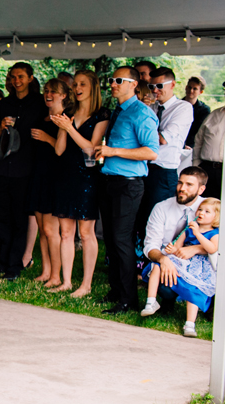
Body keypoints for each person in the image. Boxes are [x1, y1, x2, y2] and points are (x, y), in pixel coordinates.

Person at [95, 67, 160, 313]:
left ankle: (128, 300)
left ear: (133, 84)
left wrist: (113, 151)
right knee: (111, 239)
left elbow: (152, 152)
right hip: (109, 181)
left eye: (118, 80)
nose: (113, 83)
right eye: (112, 79)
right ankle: (116, 291)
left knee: (122, 240)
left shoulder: (141, 113)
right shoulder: (118, 111)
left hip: (129, 185)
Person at [50, 70, 110, 298]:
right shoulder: (69, 112)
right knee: (66, 232)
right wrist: (64, 128)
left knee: (86, 233)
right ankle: (66, 281)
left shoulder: (101, 114)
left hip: (87, 176)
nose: (77, 89)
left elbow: (91, 148)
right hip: (65, 174)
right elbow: (58, 150)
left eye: (82, 84)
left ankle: (86, 284)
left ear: (93, 87)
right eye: (75, 84)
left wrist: (69, 128)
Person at [0, 63, 42, 281]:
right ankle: (2, 264)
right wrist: (1, 126)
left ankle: (15, 266)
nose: (16, 80)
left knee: (19, 220)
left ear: (30, 78)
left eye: (20, 76)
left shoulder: (39, 104)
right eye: (13, 76)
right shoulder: (3, 104)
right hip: (0, 169)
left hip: (24, 169)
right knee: (1, 219)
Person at [142, 197, 219, 338]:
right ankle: (151, 301)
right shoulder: (189, 228)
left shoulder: (215, 233)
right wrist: (171, 249)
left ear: (216, 218)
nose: (201, 213)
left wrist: (197, 234)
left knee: (193, 291)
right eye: (200, 209)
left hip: (199, 268)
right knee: (157, 266)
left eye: (207, 211)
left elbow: (212, 248)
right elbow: (178, 246)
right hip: (183, 262)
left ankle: (190, 324)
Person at [141, 167, 207, 315]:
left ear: (201, 189)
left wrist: (197, 249)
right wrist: (163, 259)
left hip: (200, 263)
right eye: (180, 183)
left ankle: (210, 308)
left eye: (189, 185)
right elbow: (151, 245)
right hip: (170, 260)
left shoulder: (211, 209)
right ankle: (166, 301)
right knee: (163, 279)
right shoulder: (161, 208)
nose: (182, 188)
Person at [139, 68, 192, 229]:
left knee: (156, 219)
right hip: (143, 167)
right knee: (140, 216)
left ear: (173, 84)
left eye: (160, 86)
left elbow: (162, 139)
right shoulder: (149, 107)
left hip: (163, 171)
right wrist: (142, 109)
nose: (155, 91)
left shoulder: (183, 108)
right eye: (151, 86)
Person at [27, 78, 68, 287]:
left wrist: (46, 138)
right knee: (42, 229)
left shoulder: (65, 120)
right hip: (39, 176)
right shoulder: (42, 119)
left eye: (53, 91)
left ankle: (56, 275)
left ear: (64, 95)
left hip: (56, 178)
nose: (48, 94)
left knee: (52, 231)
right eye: (46, 91)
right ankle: (45, 271)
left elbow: (66, 152)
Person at [193, 99, 225, 199]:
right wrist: (196, 166)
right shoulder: (214, 114)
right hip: (207, 169)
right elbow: (199, 141)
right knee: (204, 204)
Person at [184, 76, 210, 148]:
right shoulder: (176, 105)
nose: (191, 91)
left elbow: (199, 131)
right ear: (186, 87)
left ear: (200, 92)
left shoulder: (204, 110)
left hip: (192, 147)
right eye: (189, 87)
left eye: (195, 89)